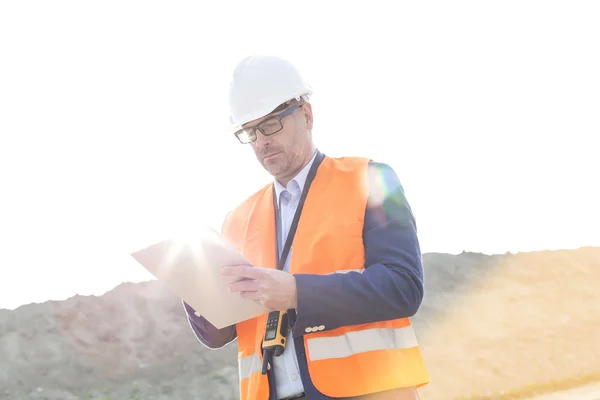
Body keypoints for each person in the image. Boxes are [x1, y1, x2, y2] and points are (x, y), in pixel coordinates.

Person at [183, 54, 430, 400]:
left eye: (269, 125)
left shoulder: (370, 179)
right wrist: (192, 285)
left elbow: (402, 287)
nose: (261, 141)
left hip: (369, 391)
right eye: (250, 131)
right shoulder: (237, 220)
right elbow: (218, 334)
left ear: (307, 114)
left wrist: (297, 292)